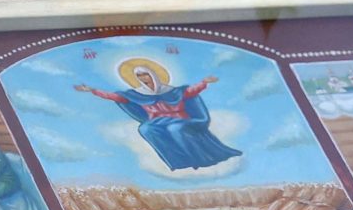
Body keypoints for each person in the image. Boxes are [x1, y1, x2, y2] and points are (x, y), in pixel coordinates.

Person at [76, 59, 239, 171]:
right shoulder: (137, 94)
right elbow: (114, 97)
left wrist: (204, 83)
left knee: (175, 129)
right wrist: (92, 90)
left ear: (153, 74)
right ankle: (177, 160)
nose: (143, 78)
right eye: (139, 76)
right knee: (145, 129)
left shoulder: (173, 91)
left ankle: (196, 158)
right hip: (157, 122)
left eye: (145, 74)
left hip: (180, 120)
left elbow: (191, 91)